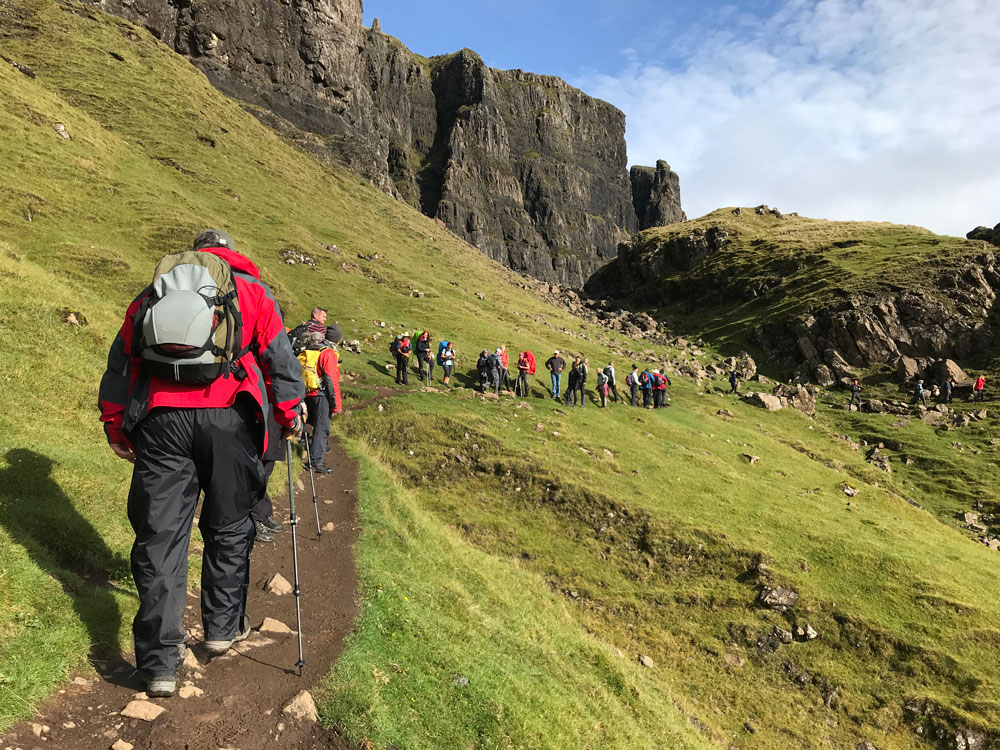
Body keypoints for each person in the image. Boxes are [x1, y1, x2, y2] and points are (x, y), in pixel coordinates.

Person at [98, 229, 304, 698]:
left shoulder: (155, 290)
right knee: (229, 524)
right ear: (230, 255)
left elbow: (122, 361)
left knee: (160, 536)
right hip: (230, 418)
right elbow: (279, 358)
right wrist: (289, 413)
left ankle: (159, 665)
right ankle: (222, 630)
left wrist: (115, 424)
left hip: (161, 421)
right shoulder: (252, 291)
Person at [300, 326, 343, 473]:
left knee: (313, 421)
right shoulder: (328, 353)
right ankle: (315, 462)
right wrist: (336, 405)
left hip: (308, 392)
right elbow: (331, 380)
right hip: (321, 394)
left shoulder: (313, 349)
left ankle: (307, 445)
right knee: (322, 427)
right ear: (337, 339)